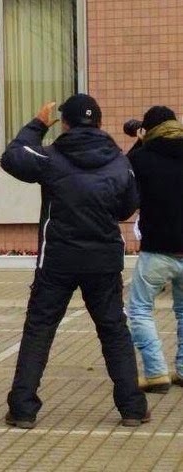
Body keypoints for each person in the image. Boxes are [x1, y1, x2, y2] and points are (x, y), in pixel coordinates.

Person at [0, 94, 149, 428]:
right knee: (114, 331)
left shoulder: (50, 157)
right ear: (99, 122)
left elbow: (12, 158)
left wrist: (37, 124)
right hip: (104, 261)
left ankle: (23, 409)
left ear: (64, 124)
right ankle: (132, 408)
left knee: (39, 330)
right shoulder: (119, 162)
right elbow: (126, 208)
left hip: (57, 261)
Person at [125, 106, 183, 392]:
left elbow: (124, 176)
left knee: (139, 310)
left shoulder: (142, 157)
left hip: (158, 250)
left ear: (148, 130)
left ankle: (156, 372)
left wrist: (139, 142)